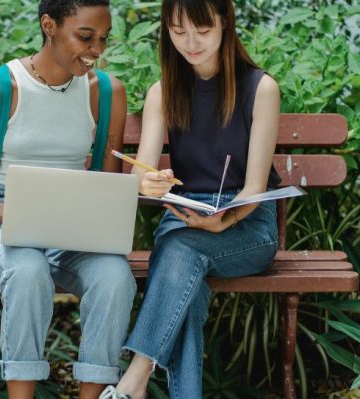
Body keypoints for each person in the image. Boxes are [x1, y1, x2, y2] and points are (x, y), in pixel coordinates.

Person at [0, 1, 134, 398]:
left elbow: (108, 183)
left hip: (70, 226)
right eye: (85, 37)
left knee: (115, 277)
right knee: (29, 270)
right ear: (49, 26)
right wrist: (15, 215)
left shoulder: (106, 93)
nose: (96, 49)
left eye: (103, 39)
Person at [100, 0, 281, 398]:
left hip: (247, 225)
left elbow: (255, 188)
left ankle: (133, 382)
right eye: (178, 31)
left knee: (179, 251)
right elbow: (141, 172)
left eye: (202, 30)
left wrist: (225, 220)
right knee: (187, 283)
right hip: (184, 217)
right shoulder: (163, 92)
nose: (191, 42)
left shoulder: (260, 89)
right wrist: (148, 182)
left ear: (224, 23)